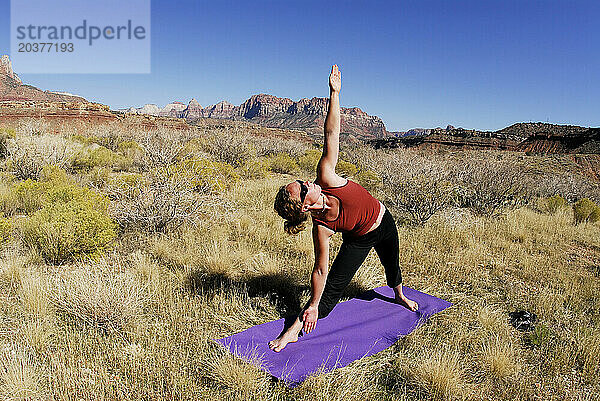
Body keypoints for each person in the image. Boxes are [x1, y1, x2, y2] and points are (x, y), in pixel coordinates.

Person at [270, 65, 418, 353]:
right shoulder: (321, 228)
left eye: (299, 181)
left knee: (392, 264)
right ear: (303, 205)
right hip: (359, 239)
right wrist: (312, 305)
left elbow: (331, 135)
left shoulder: (326, 176)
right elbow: (320, 269)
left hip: (383, 221)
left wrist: (334, 93)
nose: (304, 182)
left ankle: (398, 294)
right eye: (300, 187)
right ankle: (293, 330)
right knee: (328, 296)